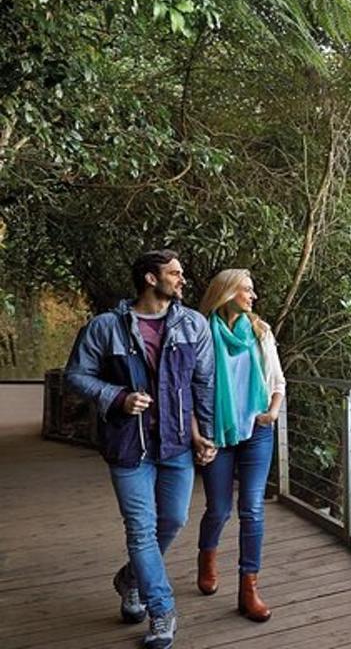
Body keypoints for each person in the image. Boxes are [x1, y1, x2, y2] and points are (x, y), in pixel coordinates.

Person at [65, 249, 216, 649]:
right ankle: (161, 610)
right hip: (129, 445)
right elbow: (77, 375)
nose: (182, 280)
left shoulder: (193, 325)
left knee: (175, 519)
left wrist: (204, 434)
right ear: (150, 279)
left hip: (177, 443)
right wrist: (118, 398)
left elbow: (202, 385)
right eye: (175, 273)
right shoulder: (105, 327)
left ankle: (129, 578)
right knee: (141, 529)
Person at [196, 269, 286, 622]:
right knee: (218, 508)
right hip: (218, 433)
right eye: (247, 289)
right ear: (228, 293)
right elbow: (188, 386)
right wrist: (197, 434)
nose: (253, 296)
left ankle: (249, 588)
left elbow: (277, 380)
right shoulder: (202, 331)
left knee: (252, 508)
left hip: (257, 430)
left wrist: (272, 412)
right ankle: (206, 557)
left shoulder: (260, 331)